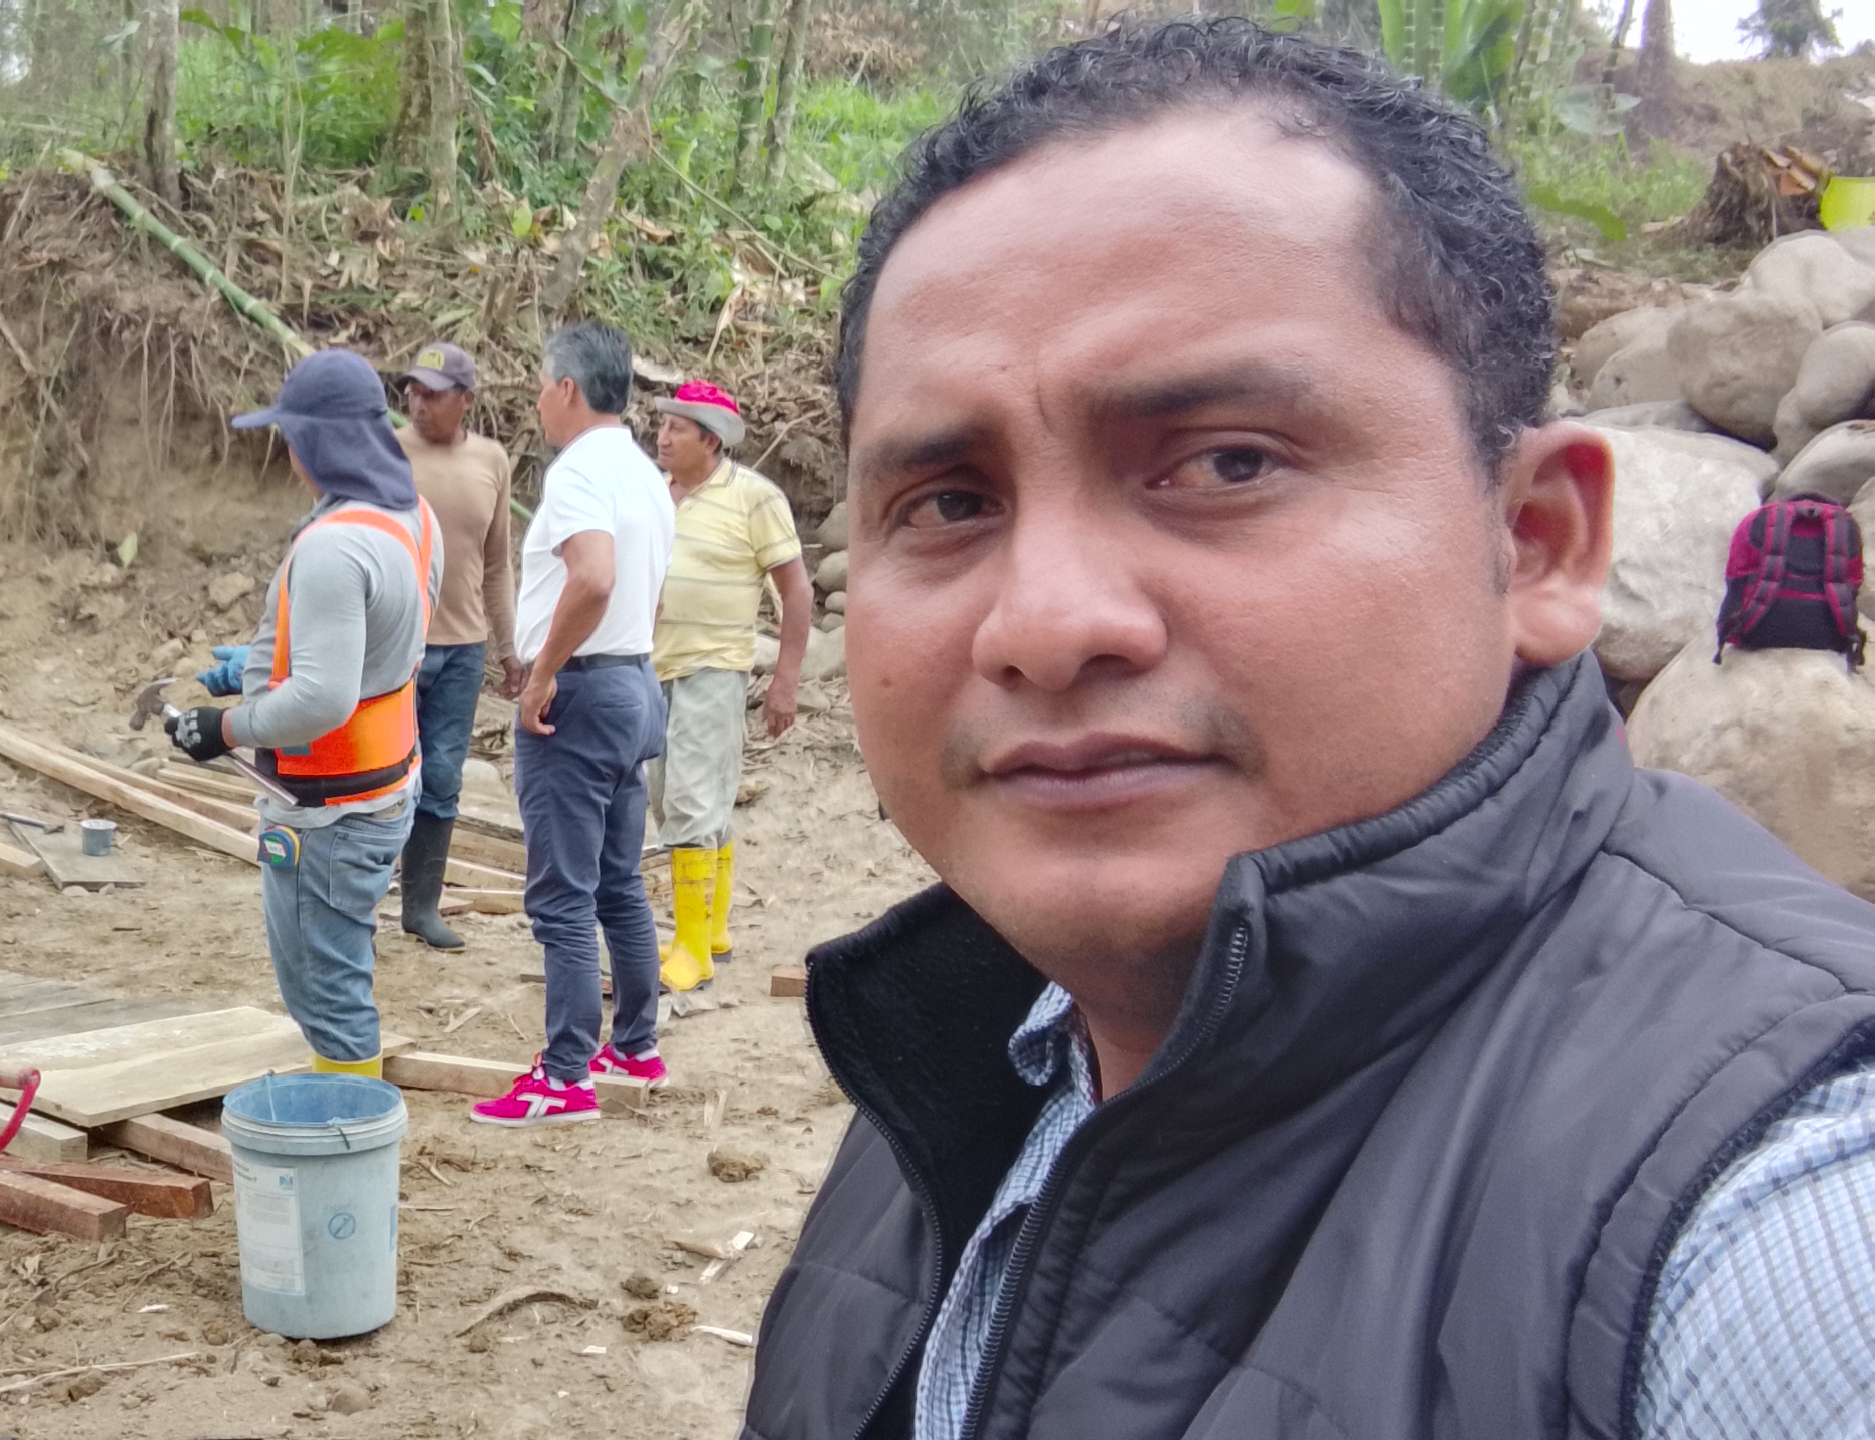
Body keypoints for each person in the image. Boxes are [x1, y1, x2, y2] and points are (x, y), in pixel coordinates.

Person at [741, 21, 1875, 1440]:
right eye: (950, 503)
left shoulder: (1777, 1214)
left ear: (1535, 542)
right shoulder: (981, 1039)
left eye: (1226, 462)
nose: (1044, 623)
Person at [165, 348, 440, 1078]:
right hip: (386, 786)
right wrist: (259, 667)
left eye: (291, 437)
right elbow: (392, 637)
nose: (289, 456)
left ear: (317, 442)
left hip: (327, 810)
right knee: (340, 967)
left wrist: (225, 728)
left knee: (325, 993)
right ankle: (351, 1116)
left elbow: (323, 698)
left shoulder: (333, 548)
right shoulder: (412, 517)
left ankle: (350, 1132)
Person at [470, 320, 674, 1127]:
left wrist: (545, 670)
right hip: (632, 681)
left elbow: (592, 576)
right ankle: (635, 1044)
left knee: (563, 894)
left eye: (538, 388)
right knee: (618, 881)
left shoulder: (580, 471)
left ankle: (564, 1074)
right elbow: (646, 588)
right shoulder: (645, 474)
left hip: (582, 693)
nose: (536, 404)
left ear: (566, 388)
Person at [644, 379, 812, 992]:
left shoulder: (754, 497)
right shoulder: (652, 493)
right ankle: (711, 928)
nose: (662, 436)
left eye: (677, 428)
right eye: (662, 425)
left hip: (713, 668)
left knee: (693, 800)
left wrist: (785, 679)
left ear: (711, 440)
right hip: (652, 666)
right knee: (669, 797)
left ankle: (692, 949)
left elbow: (797, 590)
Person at [391, 341, 519, 951]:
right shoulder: (389, 451)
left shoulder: (492, 461)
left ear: (466, 400)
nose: (419, 404)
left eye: (434, 395)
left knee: (442, 777)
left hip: (463, 648)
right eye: (413, 391)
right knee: (383, 776)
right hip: (397, 643)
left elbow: (496, 563)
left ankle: (422, 906)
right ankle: (361, 901)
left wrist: (509, 647)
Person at [1715, 490, 1863, 664]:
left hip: (1753, 630)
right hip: (1831, 634)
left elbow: (1735, 576)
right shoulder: (1845, 526)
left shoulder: (1759, 519)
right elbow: (1854, 582)